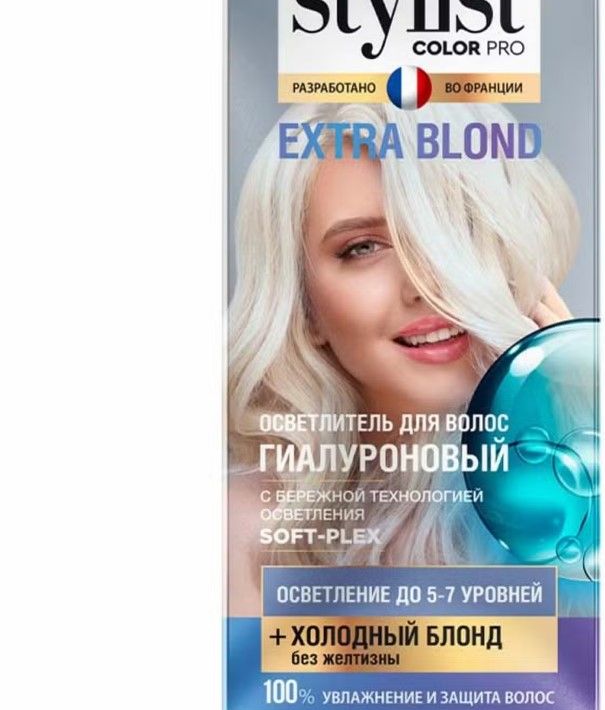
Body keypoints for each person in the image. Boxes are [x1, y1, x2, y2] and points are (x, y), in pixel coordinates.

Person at [227, 101, 579, 615]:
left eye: (457, 227)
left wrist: (569, 417)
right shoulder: (245, 533)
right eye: (362, 248)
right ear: (304, 307)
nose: (423, 284)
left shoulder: (579, 497)